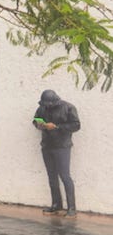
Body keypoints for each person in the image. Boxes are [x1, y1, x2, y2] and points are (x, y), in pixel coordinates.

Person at [32, 89, 81, 217]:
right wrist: (39, 124)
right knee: (52, 176)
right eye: (44, 104)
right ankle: (56, 204)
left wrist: (57, 127)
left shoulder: (68, 107)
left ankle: (72, 208)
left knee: (65, 176)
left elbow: (76, 125)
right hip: (47, 145)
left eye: (48, 104)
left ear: (55, 101)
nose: (46, 106)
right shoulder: (42, 108)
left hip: (62, 146)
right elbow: (35, 120)